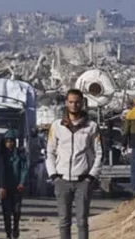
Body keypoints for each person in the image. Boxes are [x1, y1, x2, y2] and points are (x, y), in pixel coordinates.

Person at [46, 89, 103, 239]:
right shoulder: (57, 126)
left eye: (77, 102)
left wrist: (91, 177)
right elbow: (50, 152)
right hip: (62, 180)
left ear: (82, 103)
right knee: (64, 221)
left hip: (83, 180)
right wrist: (53, 175)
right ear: (66, 103)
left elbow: (99, 153)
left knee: (82, 221)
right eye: (71, 102)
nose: (74, 105)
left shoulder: (91, 127)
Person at [0, 130, 29, 239]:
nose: (9, 143)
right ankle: (8, 233)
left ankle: (15, 227)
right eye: (7, 141)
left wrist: (22, 182)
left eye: (11, 141)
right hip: (5, 187)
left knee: (16, 211)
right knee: (6, 212)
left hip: (17, 187)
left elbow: (24, 169)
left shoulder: (19, 154)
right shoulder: (2, 155)